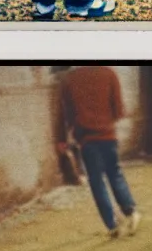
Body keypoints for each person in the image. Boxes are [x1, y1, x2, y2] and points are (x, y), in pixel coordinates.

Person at [59, 65, 142, 239]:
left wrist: (64, 139)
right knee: (115, 174)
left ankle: (112, 225)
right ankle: (130, 212)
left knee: (97, 182)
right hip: (108, 136)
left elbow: (66, 115)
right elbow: (119, 111)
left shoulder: (69, 79)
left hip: (87, 140)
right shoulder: (108, 73)